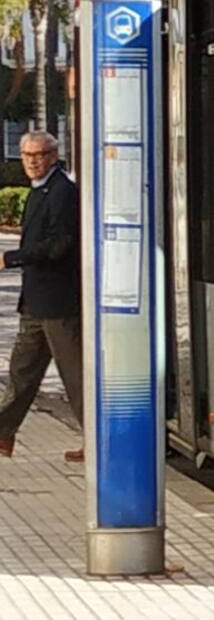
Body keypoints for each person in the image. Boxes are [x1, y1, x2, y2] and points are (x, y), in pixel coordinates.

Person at [0, 132, 84, 461]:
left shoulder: (63, 191)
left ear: (53, 155)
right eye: (27, 155)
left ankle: (100, 443)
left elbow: (60, 244)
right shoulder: (39, 190)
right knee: (22, 369)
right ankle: (3, 433)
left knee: (75, 377)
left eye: (40, 155)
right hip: (35, 301)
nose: (33, 161)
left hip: (59, 302)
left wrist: (11, 258)